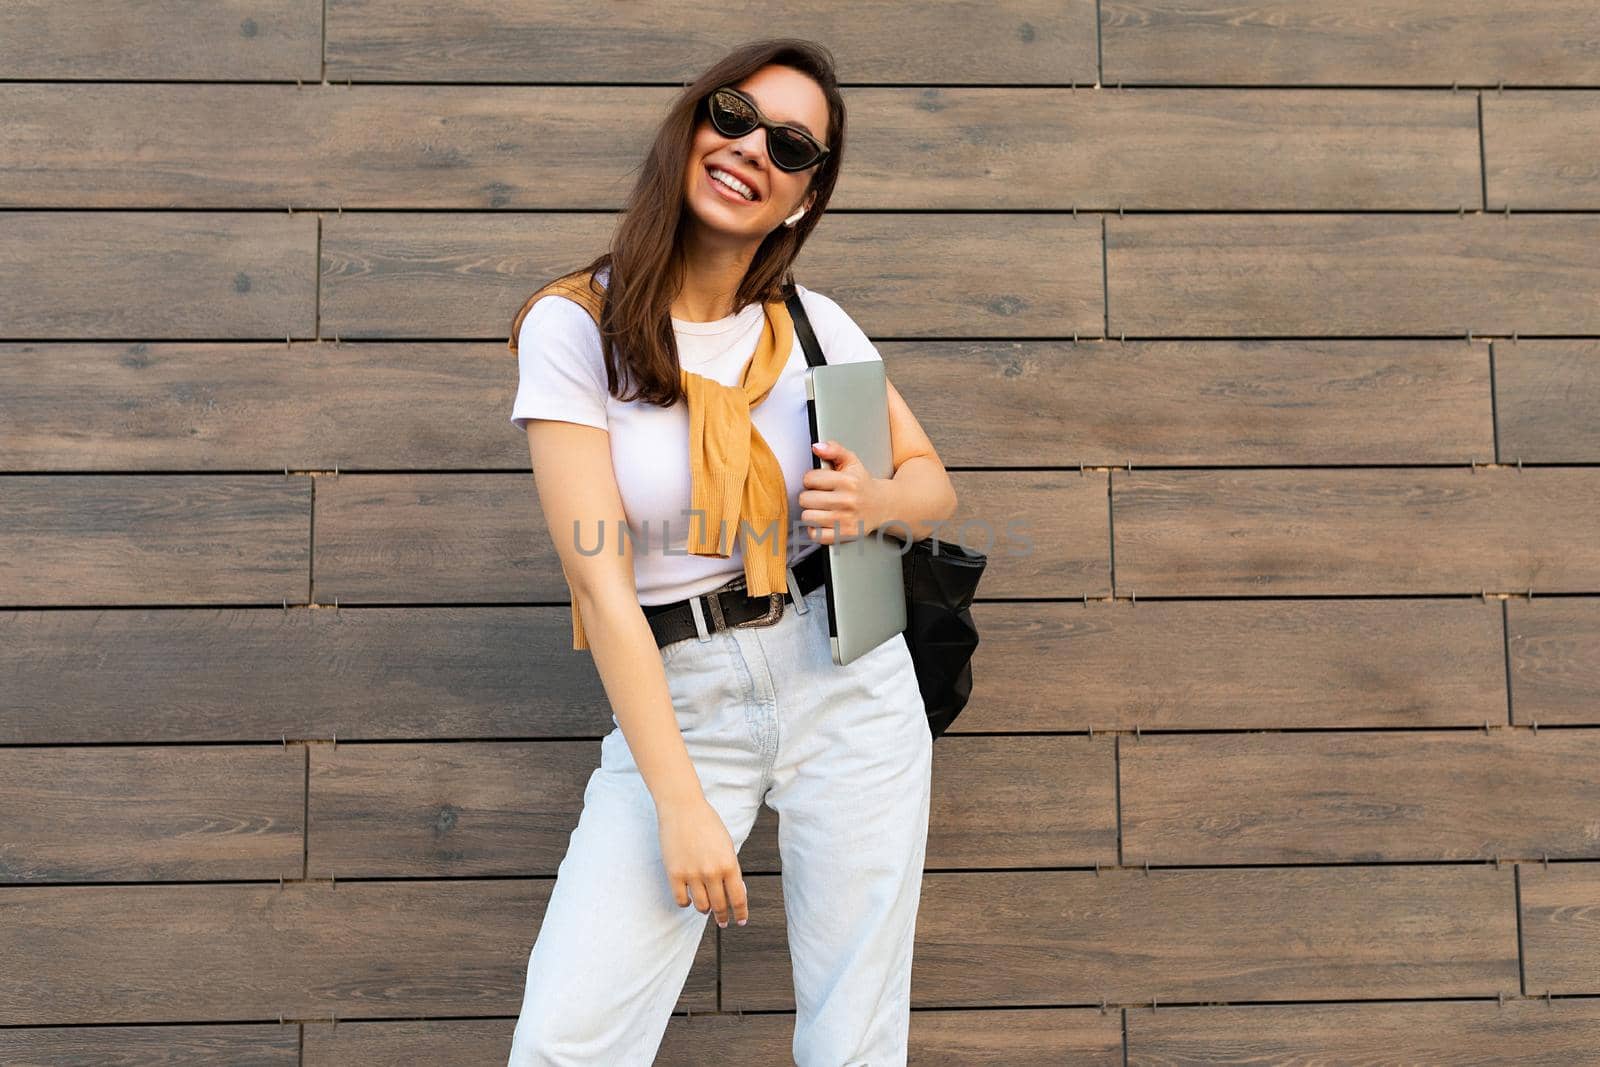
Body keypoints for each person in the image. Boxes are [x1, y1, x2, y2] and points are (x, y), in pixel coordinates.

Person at [505, 37, 958, 1067]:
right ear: (691, 129)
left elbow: (934, 483)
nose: (754, 146)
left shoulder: (810, 321)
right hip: (683, 693)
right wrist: (679, 804)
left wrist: (875, 495)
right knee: (567, 1037)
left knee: (854, 1035)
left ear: (802, 196)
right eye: (735, 113)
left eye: (792, 145)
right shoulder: (576, 324)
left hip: (846, 679)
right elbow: (598, 580)